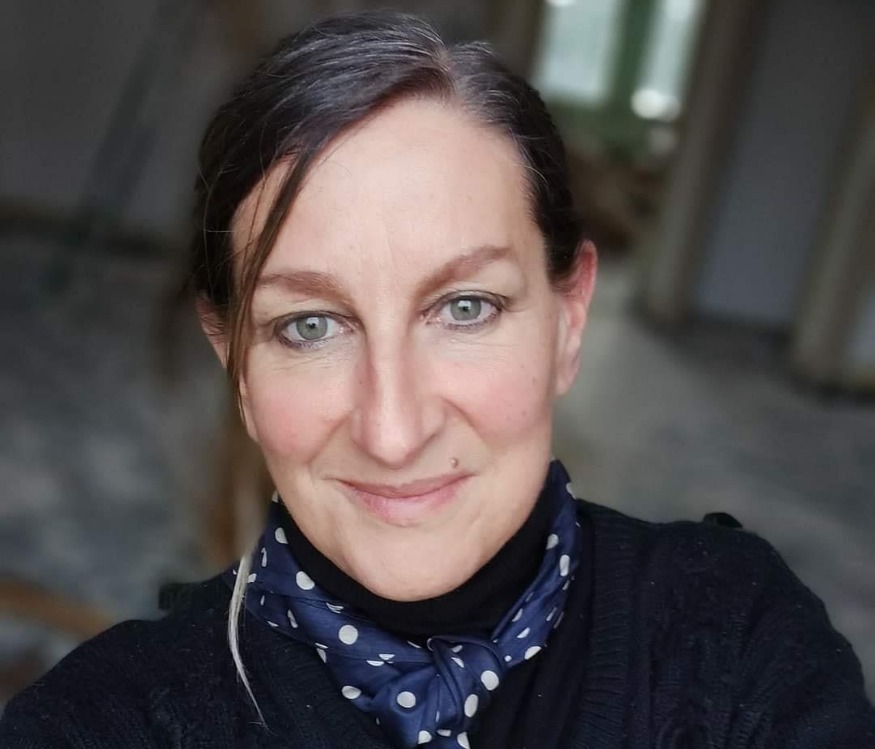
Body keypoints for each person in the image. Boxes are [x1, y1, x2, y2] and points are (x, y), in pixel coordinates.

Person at [1, 10, 874, 749]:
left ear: (568, 320)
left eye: (464, 307)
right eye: (310, 325)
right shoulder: (108, 720)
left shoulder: (735, 637)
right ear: (232, 358)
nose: (393, 431)